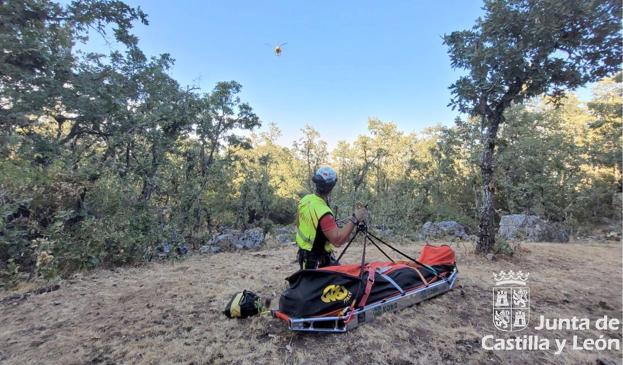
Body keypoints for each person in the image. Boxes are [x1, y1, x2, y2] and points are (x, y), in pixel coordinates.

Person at [295, 166, 368, 269]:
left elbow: (298, 223)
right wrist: (355, 218)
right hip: (317, 263)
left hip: (304, 256)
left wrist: (322, 230)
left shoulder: (305, 200)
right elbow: (338, 240)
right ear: (332, 186)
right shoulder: (324, 212)